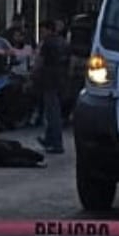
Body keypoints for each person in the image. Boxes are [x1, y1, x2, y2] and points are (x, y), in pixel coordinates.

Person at [35, 19, 69, 154]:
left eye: (42, 30)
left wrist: (34, 74)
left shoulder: (47, 43)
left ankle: (56, 143)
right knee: (54, 111)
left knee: (52, 112)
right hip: (61, 79)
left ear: (48, 30)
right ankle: (50, 139)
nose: (41, 33)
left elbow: (40, 62)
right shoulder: (63, 42)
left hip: (49, 80)